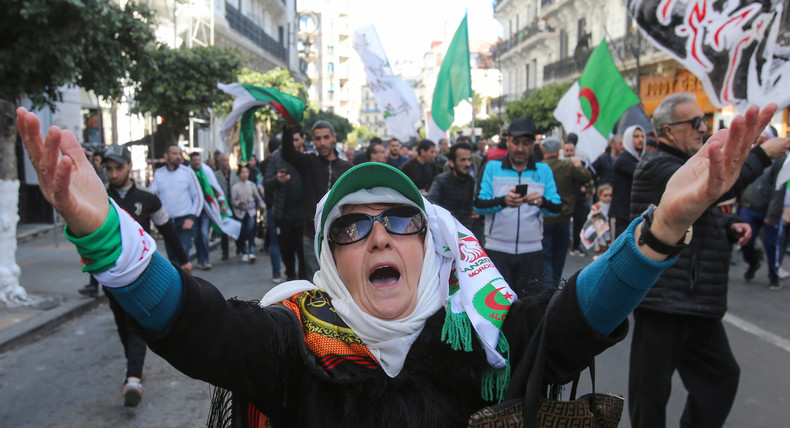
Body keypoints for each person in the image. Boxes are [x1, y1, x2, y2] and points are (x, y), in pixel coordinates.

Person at [17, 98, 774, 426]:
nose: (380, 236)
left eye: (400, 220)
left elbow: (575, 320)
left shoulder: (479, 337)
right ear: (329, 261)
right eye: (353, 228)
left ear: (430, 244)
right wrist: (104, 237)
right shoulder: (293, 345)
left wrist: (665, 224)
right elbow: (197, 322)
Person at [628, 93, 789, 428]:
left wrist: (730, 226)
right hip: (664, 298)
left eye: (704, 121)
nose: (703, 128)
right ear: (669, 131)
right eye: (695, 122)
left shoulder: (686, 163)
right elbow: (710, 189)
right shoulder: (657, 166)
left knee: (720, 379)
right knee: (651, 394)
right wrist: (761, 154)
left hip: (697, 299)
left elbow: (699, 212)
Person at [103, 145, 192, 406]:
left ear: (129, 167)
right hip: (110, 276)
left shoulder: (148, 197)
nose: (113, 174)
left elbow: (167, 229)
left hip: (141, 274)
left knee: (135, 323)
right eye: (108, 169)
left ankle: (133, 378)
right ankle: (135, 367)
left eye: (118, 168)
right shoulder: (99, 198)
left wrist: (183, 260)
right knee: (122, 322)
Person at [474, 118, 562, 296]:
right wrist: (503, 201)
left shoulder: (543, 171)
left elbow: (557, 208)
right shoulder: (492, 167)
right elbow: (478, 205)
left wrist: (542, 201)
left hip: (532, 252)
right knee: (496, 310)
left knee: (529, 310)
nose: (520, 148)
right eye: (515, 142)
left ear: (533, 145)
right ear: (508, 142)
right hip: (496, 250)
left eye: (526, 143)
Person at [281, 120, 353, 280]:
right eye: (318, 138)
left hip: (339, 235)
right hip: (311, 235)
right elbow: (288, 154)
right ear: (312, 140)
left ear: (333, 138)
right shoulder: (309, 162)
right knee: (315, 283)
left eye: (326, 137)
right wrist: (288, 128)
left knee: (339, 281)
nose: (322, 143)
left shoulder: (346, 168)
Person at [739, 125, 787, 290]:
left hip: (768, 211)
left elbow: (778, 188)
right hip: (749, 208)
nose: (760, 142)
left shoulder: (780, 160)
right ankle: (753, 263)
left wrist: (772, 214)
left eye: (764, 139)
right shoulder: (751, 155)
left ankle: (774, 277)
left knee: (771, 245)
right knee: (746, 241)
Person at [540, 137, 592, 286]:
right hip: (563, 217)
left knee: (546, 256)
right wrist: (578, 164)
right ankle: (553, 285)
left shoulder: (539, 167)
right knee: (559, 256)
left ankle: (547, 286)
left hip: (544, 217)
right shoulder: (567, 167)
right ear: (559, 150)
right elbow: (585, 176)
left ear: (543, 150)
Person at [149, 144, 204, 262]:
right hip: (167, 223)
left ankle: (183, 279)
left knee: (182, 256)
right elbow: (151, 195)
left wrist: (192, 218)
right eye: (174, 153)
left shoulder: (188, 172)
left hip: (184, 221)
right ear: (166, 156)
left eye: (179, 153)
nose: (178, 156)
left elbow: (198, 197)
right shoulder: (159, 174)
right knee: (172, 258)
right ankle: (177, 280)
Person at [263, 135, 307, 282]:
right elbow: (267, 182)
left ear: (303, 139)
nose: (293, 143)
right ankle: (290, 274)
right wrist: (277, 179)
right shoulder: (275, 157)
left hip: (304, 213)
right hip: (284, 213)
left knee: (303, 250)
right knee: (286, 248)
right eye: (290, 140)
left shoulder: (308, 156)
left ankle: (303, 281)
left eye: (296, 139)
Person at [189, 152, 228, 270]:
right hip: (193, 210)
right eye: (194, 160)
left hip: (206, 208)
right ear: (191, 161)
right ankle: (200, 259)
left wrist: (222, 203)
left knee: (204, 233)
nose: (196, 162)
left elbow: (215, 188)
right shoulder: (187, 172)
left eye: (198, 160)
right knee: (196, 236)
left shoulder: (206, 171)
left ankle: (205, 260)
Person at [426, 142, 478, 231]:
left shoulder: (472, 181)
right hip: (446, 230)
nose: (468, 164)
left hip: (467, 231)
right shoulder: (441, 180)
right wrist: (448, 214)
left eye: (469, 160)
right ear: (451, 163)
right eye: (463, 160)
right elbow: (430, 201)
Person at [609, 125, 644, 239]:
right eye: (636, 136)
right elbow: (642, 174)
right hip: (621, 216)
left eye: (642, 136)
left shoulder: (638, 159)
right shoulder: (624, 159)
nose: (640, 139)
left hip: (632, 215)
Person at [259, 138, 283, 282]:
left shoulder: (264, 163)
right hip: (281, 207)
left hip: (270, 207)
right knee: (284, 242)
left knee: (274, 241)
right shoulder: (281, 161)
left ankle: (277, 272)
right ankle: (290, 272)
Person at [231, 166, 264, 263]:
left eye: (246, 172)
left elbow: (257, 197)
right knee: (242, 233)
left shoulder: (252, 185)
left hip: (251, 212)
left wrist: (263, 205)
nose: (245, 174)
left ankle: (252, 251)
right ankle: (244, 251)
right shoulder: (235, 187)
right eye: (242, 172)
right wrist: (238, 203)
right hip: (240, 213)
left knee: (251, 232)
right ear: (239, 174)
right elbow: (233, 200)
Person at [214, 154, 240, 260]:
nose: (226, 162)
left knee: (237, 226)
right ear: (220, 162)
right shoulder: (216, 175)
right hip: (223, 205)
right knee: (224, 230)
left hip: (234, 205)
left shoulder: (235, 174)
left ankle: (240, 246)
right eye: (224, 160)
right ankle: (225, 252)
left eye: (227, 160)